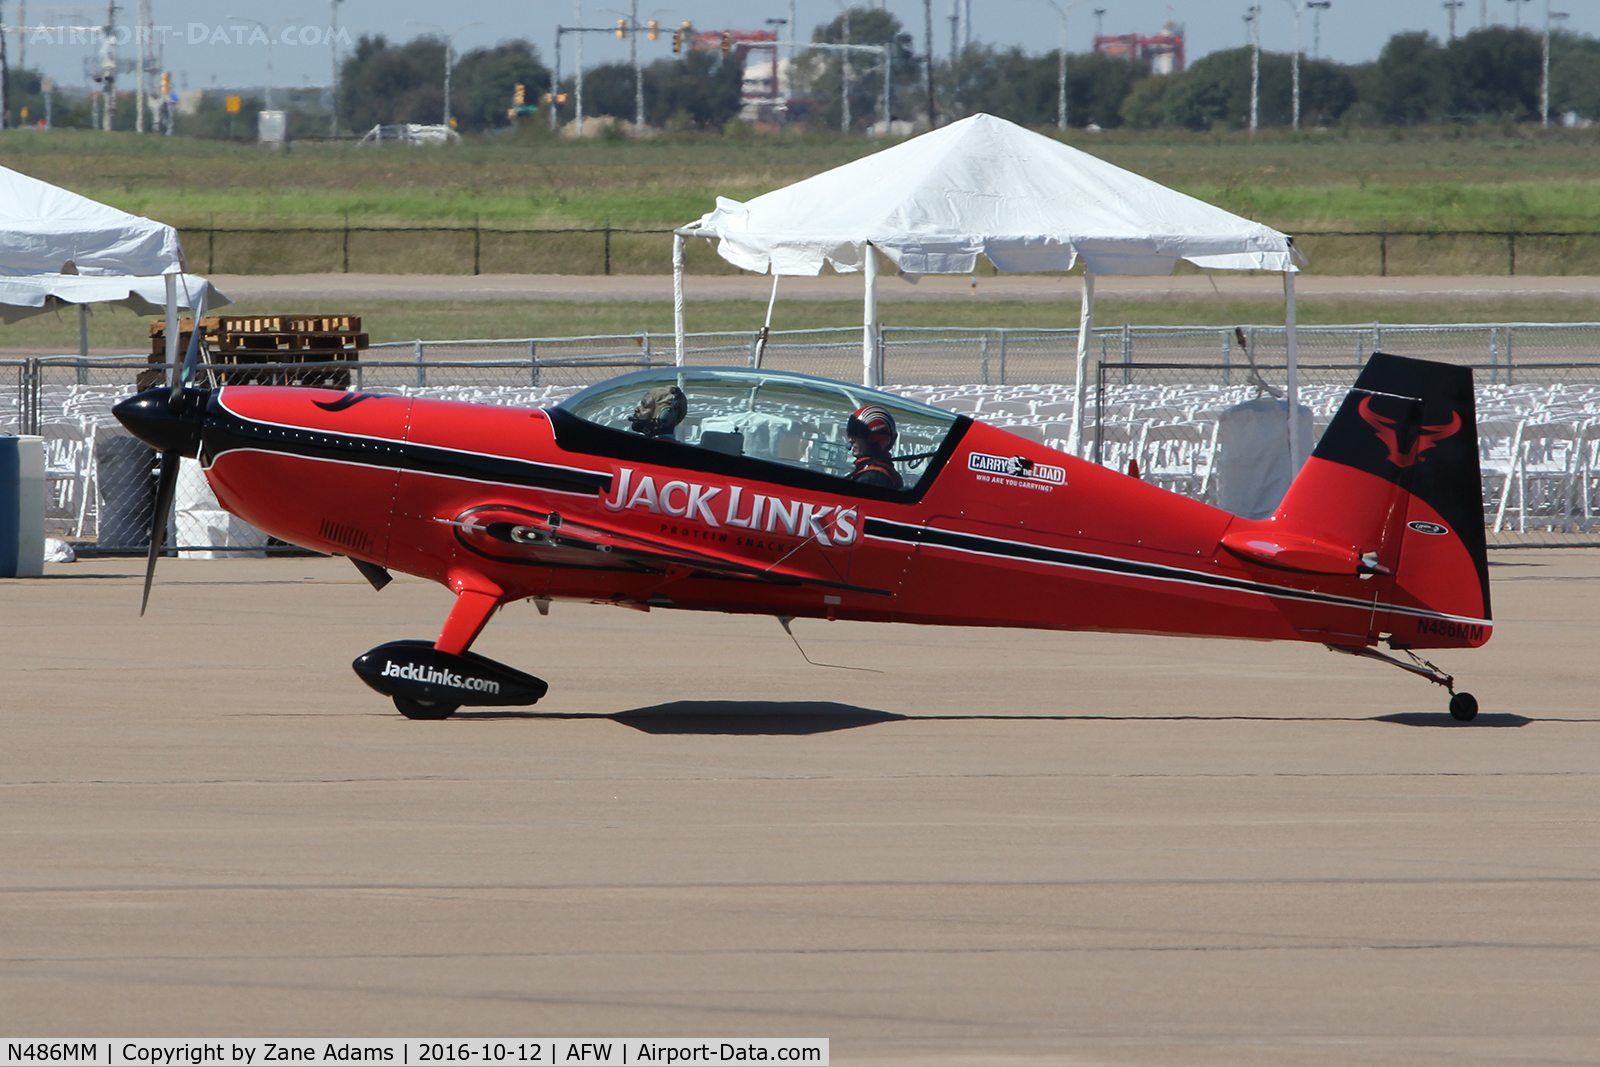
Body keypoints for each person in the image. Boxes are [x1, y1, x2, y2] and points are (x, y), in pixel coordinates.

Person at [846, 404, 903, 489]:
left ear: (874, 439)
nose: (850, 440)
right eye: (850, 434)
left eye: (857, 434)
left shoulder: (873, 478)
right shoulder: (872, 471)